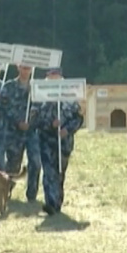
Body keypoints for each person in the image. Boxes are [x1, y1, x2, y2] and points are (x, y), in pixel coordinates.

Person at [34, 67, 83, 215]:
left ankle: (58, 201)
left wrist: (67, 130)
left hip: (65, 141)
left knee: (60, 172)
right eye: (51, 75)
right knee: (49, 171)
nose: (54, 78)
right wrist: (50, 124)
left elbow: (78, 118)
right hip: (46, 138)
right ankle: (50, 203)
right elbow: (34, 118)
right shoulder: (40, 94)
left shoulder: (70, 95)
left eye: (56, 75)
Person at [0, 62, 42, 202]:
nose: (26, 69)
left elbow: (41, 108)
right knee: (13, 164)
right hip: (13, 132)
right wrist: (18, 122)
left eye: (29, 66)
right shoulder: (9, 86)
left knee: (35, 162)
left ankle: (31, 195)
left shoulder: (37, 88)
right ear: (18, 67)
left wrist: (31, 121)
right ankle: (6, 190)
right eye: (23, 66)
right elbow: (4, 107)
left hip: (31, 132)